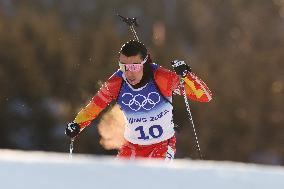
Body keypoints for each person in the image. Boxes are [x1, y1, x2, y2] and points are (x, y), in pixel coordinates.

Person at [65, 40, 212, 160]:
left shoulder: (161, 78)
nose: (129, 73)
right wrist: (76, 125)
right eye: (123, 66)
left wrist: (187, 75)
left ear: (145, 62)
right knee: (113, 181)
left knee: (152, 180)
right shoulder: (116, 83)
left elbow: (204, 96)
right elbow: (93, 109)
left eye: (134, 67)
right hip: (132, 146)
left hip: (161, 145)